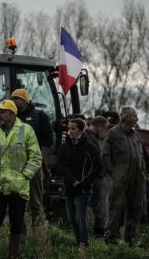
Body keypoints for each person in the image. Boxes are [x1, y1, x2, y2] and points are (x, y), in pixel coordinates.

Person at [0, 100, 42, 259]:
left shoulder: (26, 130)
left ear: (13, 114)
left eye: (3, 111)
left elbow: (35, 157)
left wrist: (25, 176)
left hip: (18, 187)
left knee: (16, 224)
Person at [103, 106, 146, 245]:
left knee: (135, 208)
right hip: (120, 177)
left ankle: (130, 238)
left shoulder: (136, 135)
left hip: (137, 178)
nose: (137, 118)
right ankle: (110, 239)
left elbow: (142, 155)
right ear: (126, 117)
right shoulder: (113, 133)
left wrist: (143, 170)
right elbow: (105, 155)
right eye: (134, 116)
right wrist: (112, 173)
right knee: (115, 208)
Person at [11, 89, 53, 224]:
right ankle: (20, 235)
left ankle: (39, 234)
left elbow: (48, 141)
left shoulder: (40, 116)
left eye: (17, 99)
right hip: (15, 166)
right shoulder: (11, 117)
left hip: (33, 165)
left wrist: (38, 160)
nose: (14, 101)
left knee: (35, 202)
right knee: (16, 203)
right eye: (13, 99)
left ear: (25, 100)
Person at [57, 118, 101, 247]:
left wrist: (83, 182)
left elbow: (97, 167)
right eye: (68, 129)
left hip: (83, 189)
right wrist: (72, 179)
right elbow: (60, 165)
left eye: (73, 129)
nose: (69, 132)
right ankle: (78, 244)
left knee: (80, 219)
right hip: (69, 187)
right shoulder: (65, 146)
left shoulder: (89, 147)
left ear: (81, 130)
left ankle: (83, 245)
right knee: (71, 219)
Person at [85, 116, 111, 238]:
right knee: (99, 206)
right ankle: (97, 233)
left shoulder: (90, 137)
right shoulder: (91, 139)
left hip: (93, 177)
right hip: (96, 178)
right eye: (105, 128)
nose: (106, 131)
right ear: (99, 127)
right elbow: (97, 161)